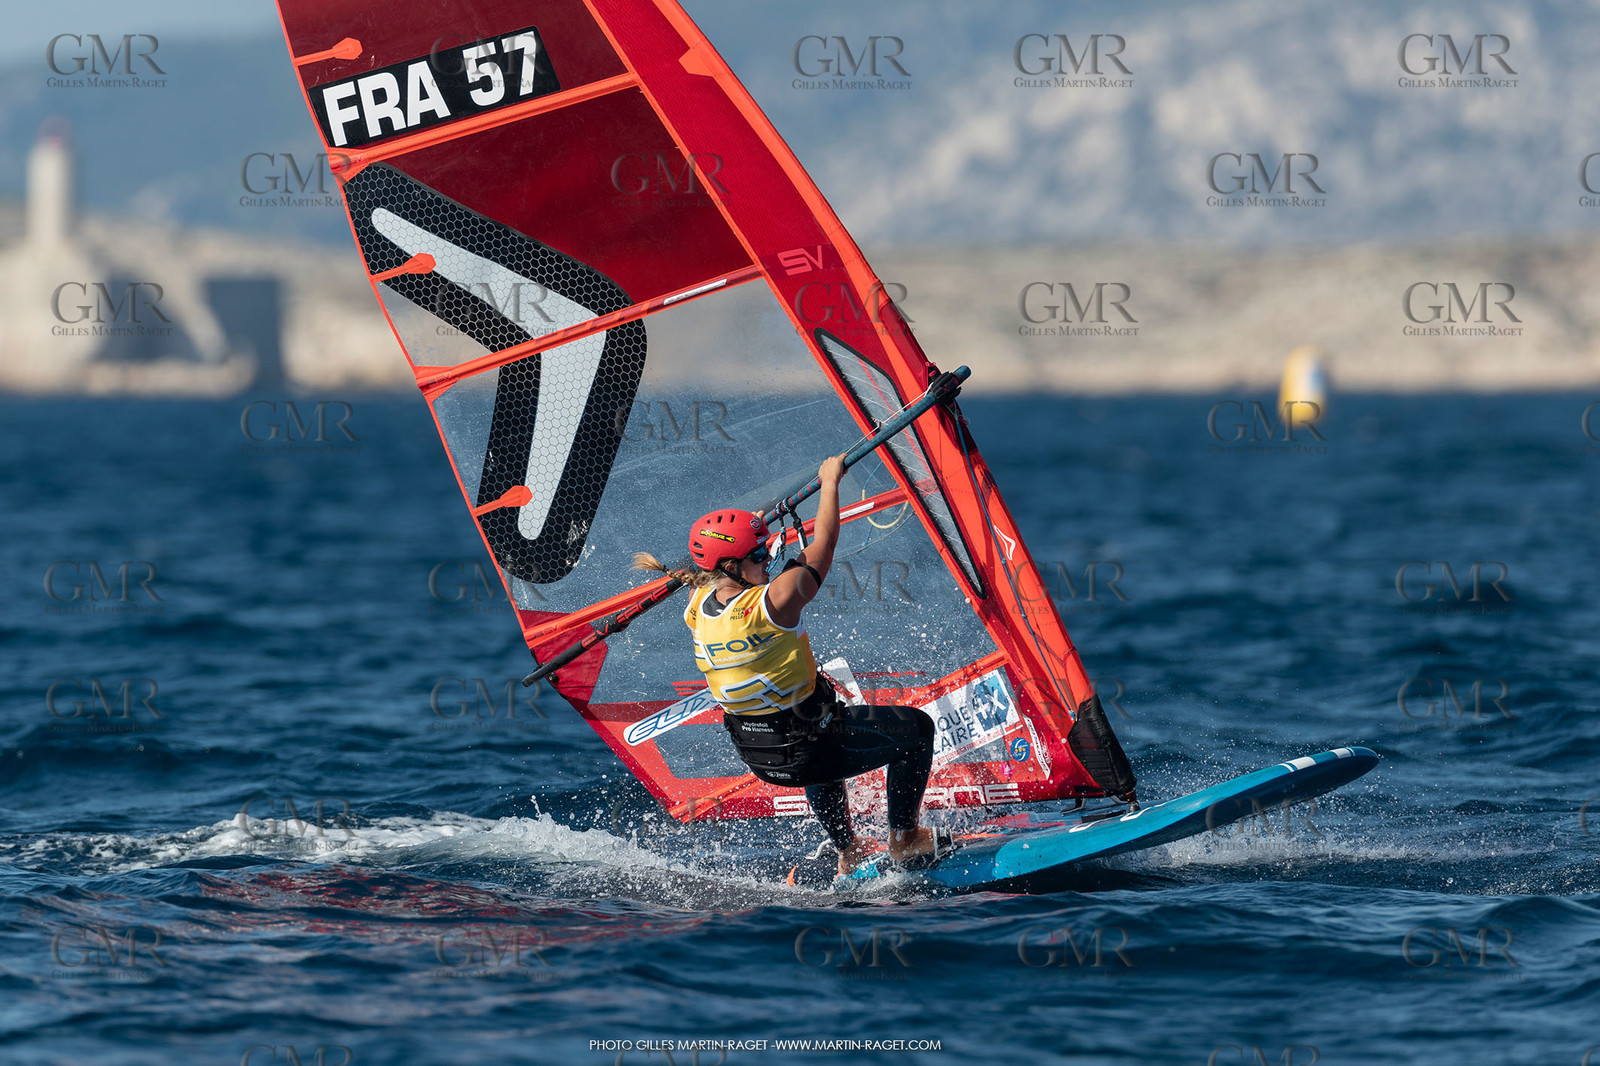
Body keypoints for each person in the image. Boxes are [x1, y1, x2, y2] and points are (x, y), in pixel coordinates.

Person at [635, 455, 949, 878]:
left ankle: (847, 850)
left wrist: (756, 532)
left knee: (820, 726)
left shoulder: (696, 607)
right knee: (916, 730)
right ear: (731, 566)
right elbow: (822, 548)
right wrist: (830, 481)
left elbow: (742, 571)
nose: (766, 560)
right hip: (806, 752)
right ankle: (905, 841)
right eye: (758, 556)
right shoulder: (773, 603)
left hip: (762, 757)